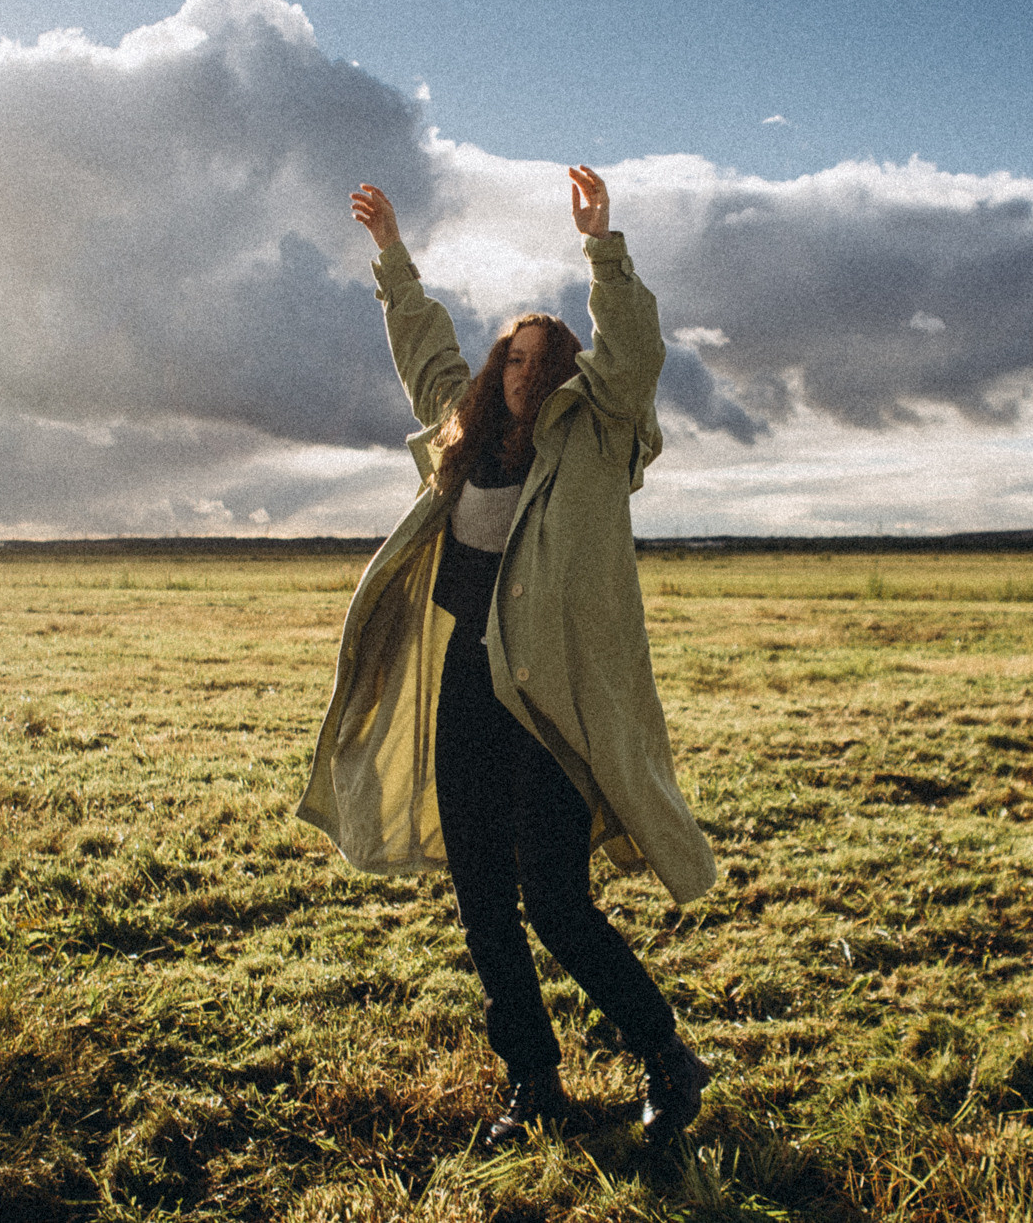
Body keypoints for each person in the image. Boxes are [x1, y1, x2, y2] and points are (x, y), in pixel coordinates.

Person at [296, 167, 717, 1147]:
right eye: (513, 358)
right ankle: (533, 1083)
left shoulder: (597, 435)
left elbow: (634, 351)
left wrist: (601, 246)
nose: (525, 373)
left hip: (553, 699)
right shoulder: (469, 437)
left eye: (542, 358)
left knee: (554, 899)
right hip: (467, 689)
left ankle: (665, 1053)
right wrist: (393, 256)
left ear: (570, 372)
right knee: (483, 897)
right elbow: (426, 351)